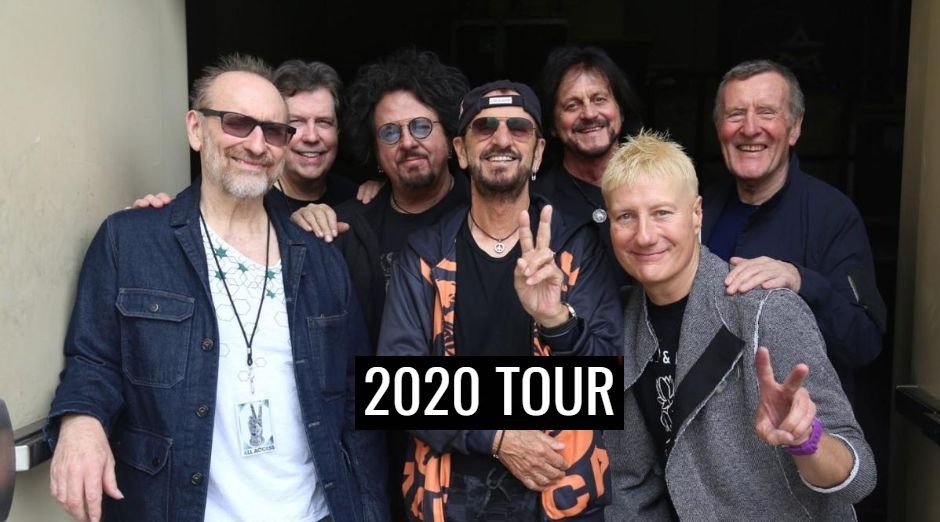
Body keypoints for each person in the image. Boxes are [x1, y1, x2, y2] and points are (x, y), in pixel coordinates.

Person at [45, 54, 387, 522]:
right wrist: (81, 422)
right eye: (237, 123)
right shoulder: (131, 242)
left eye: (273, 131)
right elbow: (93, 359)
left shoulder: (321, 257)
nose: (256, 144)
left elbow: (357, 400)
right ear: (195, 129)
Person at [378, 80, 621, 521]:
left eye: (519, 128)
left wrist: (557, 321)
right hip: (446, 501)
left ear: (539, 152)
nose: (502, 139)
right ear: (461, 150)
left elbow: (608, 379)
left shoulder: (576, 246)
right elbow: (397, 388)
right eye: (485, 127)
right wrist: (498, 437)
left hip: (559, 497)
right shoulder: (425, 254)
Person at [603, 131, 875, 520]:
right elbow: (627, 476)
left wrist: (806, 440)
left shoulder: (765, 311)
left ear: (696, 214)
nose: (644, 236)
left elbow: (860, 476)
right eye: (626, 216)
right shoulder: (622, 319)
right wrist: (552, 323)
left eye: (662, 213)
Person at [702, 59, 887, 398]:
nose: (750, 128)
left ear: (795, 127)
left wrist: (802, 281)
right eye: (736, 114)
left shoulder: (833, 216)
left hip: (797, 426)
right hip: (704, 423)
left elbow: (864, 344)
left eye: (767, 113)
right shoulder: (699, 210)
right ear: (719, 128)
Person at [291, 48, 471, 345]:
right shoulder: (345, 228)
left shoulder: (484, 215)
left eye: (421, 126)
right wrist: (298, 231)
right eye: (389, 132)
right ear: (374, 150)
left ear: (451, 138)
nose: (408, 142)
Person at [533, 45, 643, 286]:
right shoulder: (537, 202)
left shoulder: (655, 184)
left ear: (621, 110)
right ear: (552, 125)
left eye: (599, 99)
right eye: (572, 106)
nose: (589, 113)